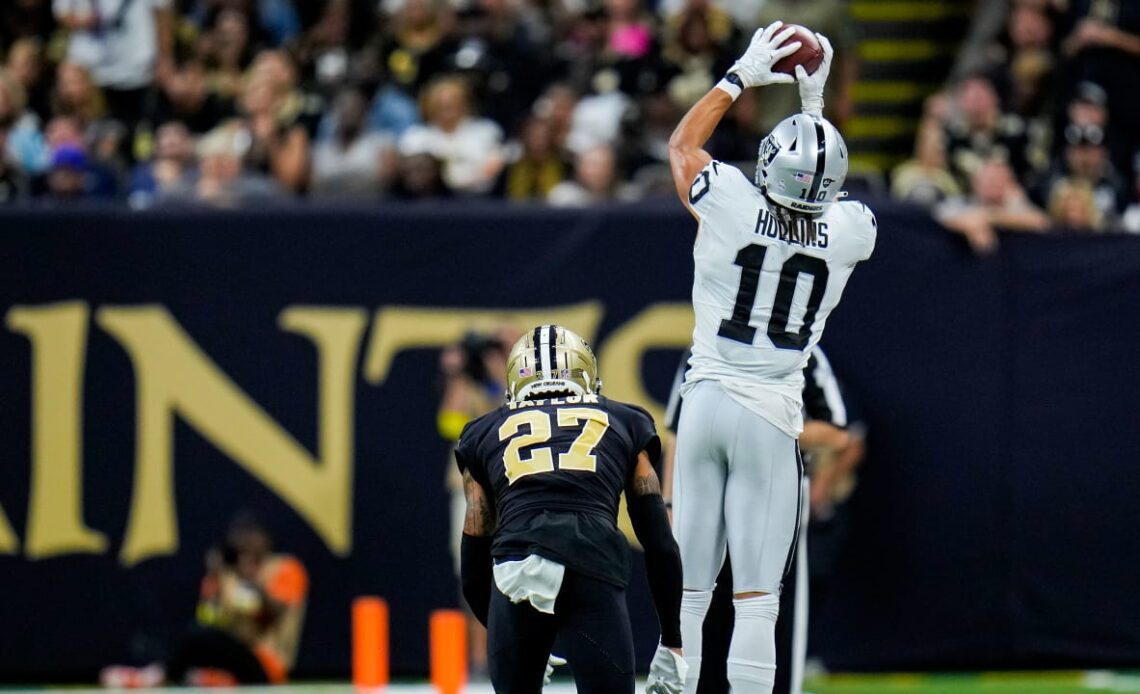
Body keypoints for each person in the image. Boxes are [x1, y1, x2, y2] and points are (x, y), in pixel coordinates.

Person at [666, 22, 876, 694]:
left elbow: (681, 145)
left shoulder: (727, 198)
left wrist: (741, 75)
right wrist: (815, 110)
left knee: (690, 595)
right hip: (770, 415)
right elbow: (826, 194)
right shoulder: (849, 233)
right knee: (757, 601)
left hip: (704, 402)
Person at [456, 325, 686, 694]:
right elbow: (658, 541)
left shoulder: (482, 431)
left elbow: (474, 552)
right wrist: (673, 640)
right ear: (586, 373)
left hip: (517, 569)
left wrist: (504, 628)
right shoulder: (626, 420)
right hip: (592, 563)